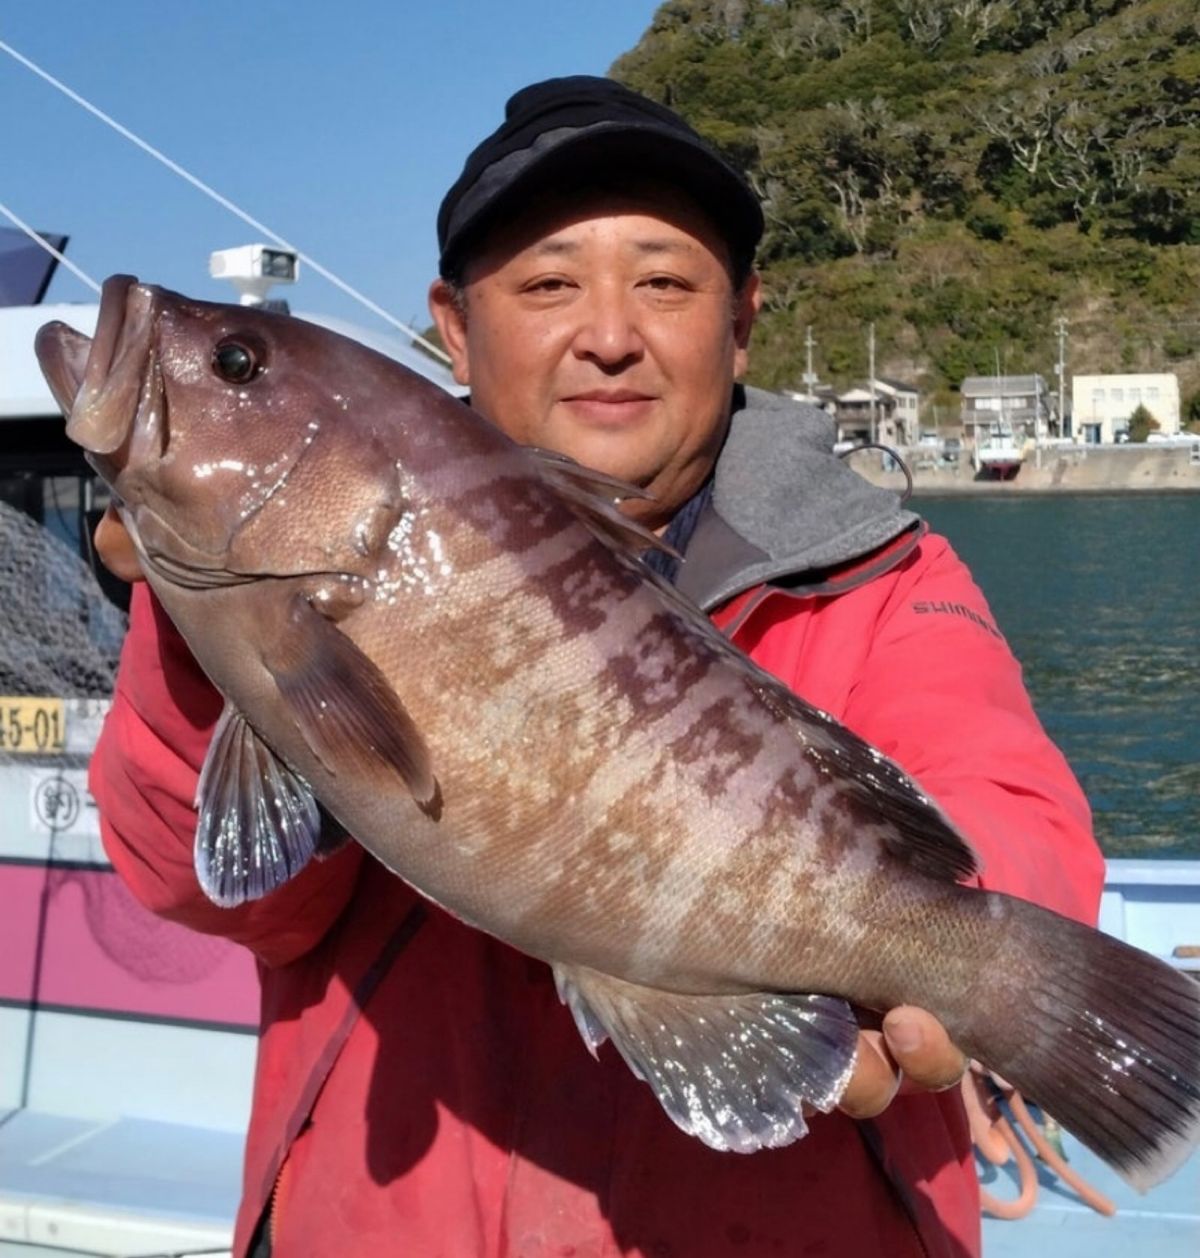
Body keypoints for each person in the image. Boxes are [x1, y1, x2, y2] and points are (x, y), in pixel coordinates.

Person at [89, 76, 1105, 1257]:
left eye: (666, 283)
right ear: (455, 327)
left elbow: (1007, 808)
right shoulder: (249, 602)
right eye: (549, 283)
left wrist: (951, 960)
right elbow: (212, 888)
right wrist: (204, 645)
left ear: (741, 325)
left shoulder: (881, 574)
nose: (610, 333)